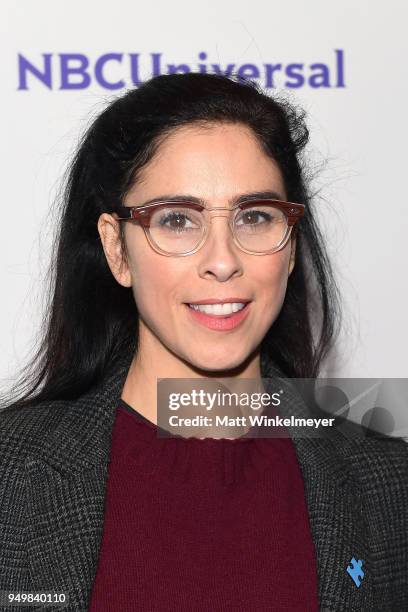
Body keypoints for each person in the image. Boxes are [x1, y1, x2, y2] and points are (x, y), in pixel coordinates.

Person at [0, 72, 407, 612]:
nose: (223, 261)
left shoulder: (386, 484)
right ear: (116, 250)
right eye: (177, 220)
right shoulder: (11, 475)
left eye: (256, 216)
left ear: (290, 248)